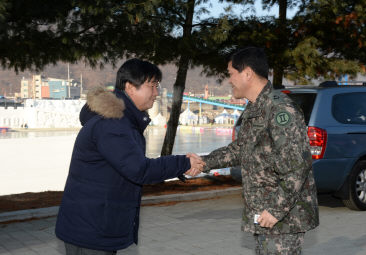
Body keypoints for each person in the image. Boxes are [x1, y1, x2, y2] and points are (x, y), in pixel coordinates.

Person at [55, 58, 204, 255]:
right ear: (130, 87)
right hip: (91, 231)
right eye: (152, 86)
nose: (156, 93)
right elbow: (138, 169)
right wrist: (183, 162)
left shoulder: (121, 121)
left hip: (96, 225)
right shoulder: (112, 124)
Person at [197, 47, 319, 254]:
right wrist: (204, 162)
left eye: (231, 74)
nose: (229, 80)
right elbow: (241, 149)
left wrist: (275, 210)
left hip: (283, 217)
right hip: (265, 212)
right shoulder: (255, 107)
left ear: (247, 73)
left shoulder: (280, 110)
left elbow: (297, 166)